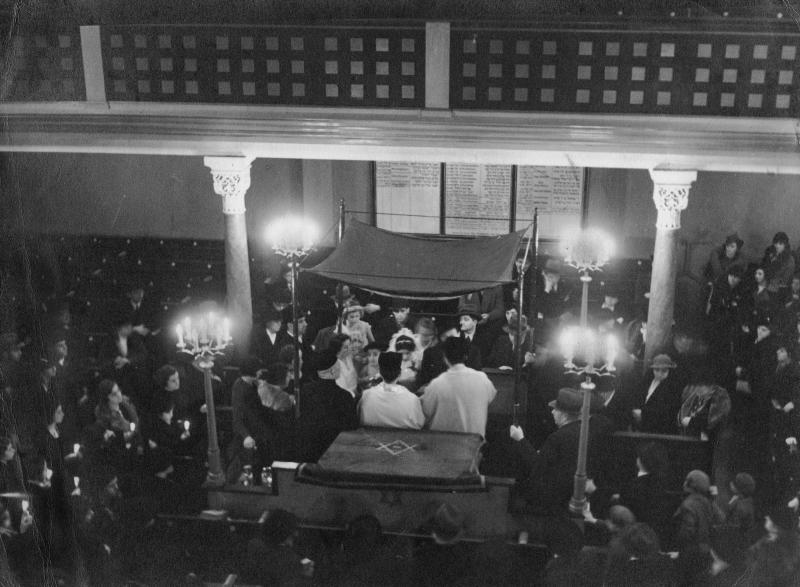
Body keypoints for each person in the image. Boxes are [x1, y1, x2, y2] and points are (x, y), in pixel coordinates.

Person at [510, 387, 611, 515]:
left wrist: (520, 440)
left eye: (555, 409)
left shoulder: (558, 437)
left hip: (551, 500)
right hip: (570, 495)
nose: (552, 412)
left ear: (563, 415)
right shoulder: (585, 433)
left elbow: (537, 465)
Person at [420, 337, 496, 436]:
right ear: (465, 356)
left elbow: (426, 412)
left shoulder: (436, 384)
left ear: (444, 357)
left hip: (444, 444)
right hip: (476, 442)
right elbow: (490, 398)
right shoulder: (483, 379)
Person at [297, 350, 358, 462]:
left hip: (308, 449)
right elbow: (352, 425)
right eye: (338, 364)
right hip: (336, 452)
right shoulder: (344, 397)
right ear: (332, 371)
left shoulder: (305, 391)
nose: (340, 366)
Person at [673, 469, 725, 584]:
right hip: (706, 553)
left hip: (690, 556)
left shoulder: (688, 504)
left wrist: (678, 547)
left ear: (690, 484)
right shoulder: (708, 503)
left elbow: (686, 533)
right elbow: (721, 520)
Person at [243, 508, 314, 586]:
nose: (296, 533)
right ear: (286, 532)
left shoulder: (253, 544)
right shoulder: (290, 559)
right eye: (294, 529)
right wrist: (305, 575)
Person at [359, 352, 424, 429]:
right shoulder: (412, 399)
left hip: (371, 439)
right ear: (399, 373)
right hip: (405, 439)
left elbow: (360, 419)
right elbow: (420, 423)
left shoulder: (366, 395)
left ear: (380, 373)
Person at [631, 353, 683, 435]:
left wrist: (643, 415)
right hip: (642, 428)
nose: (660, 373)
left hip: (659, 431)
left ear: (669, 371)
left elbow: (667, 412)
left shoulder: (673, 388)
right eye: (657, 370)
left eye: (664, 371)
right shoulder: (647, 382)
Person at [456, 302, 484, 370]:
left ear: (475, 322)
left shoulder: (484, 339)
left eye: (466, 319)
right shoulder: (455, 338)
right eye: (460, 319)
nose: (461, 322)